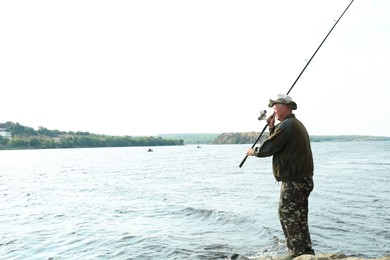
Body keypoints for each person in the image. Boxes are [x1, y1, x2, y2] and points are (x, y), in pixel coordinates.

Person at [246, 94, 315, 259]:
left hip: (294, 181)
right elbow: (279, 143)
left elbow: (269, 148)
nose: (273, 111)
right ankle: (305, 250)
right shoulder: (291, 124)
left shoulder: (287, 125)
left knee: (287, 214)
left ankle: (296, 252)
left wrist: (253, 152)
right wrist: (271, 127)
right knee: (299, 215)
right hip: (302, 179)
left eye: (275, 107)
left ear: (284, 107)